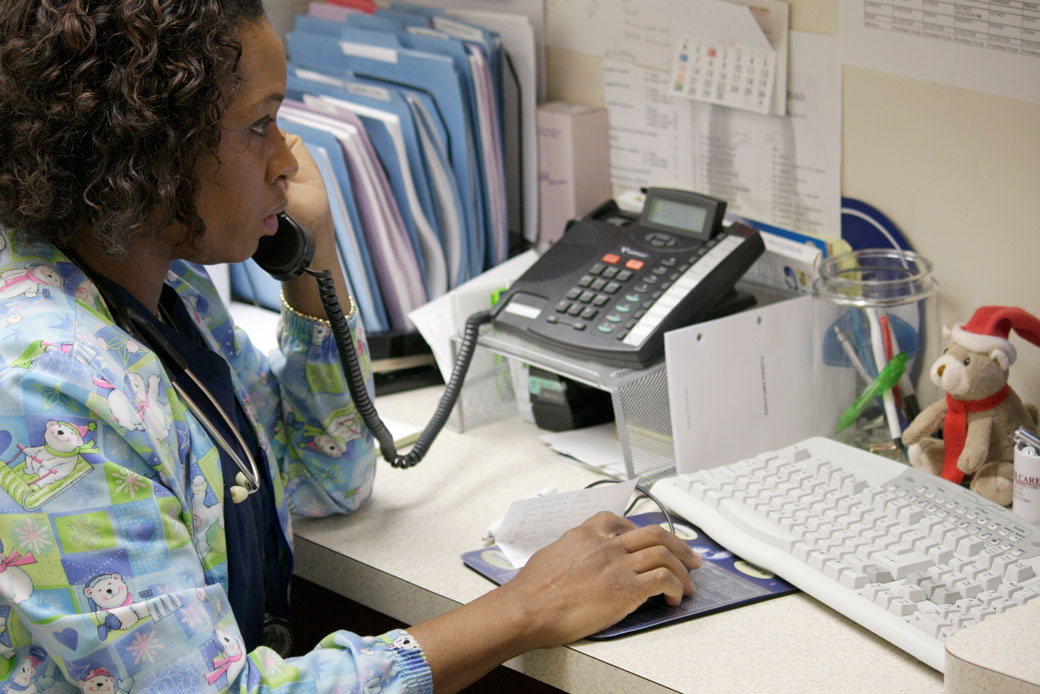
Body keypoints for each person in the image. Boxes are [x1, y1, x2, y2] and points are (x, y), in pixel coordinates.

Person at [0, 1, 702, 692]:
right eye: (261, 125)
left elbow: (324, 478)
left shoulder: (166, 295)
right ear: (147, 144)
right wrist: (526, 607)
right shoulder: (45, 382)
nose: (287, 159)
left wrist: (315, 255)